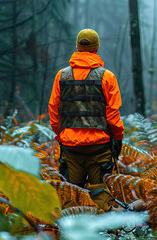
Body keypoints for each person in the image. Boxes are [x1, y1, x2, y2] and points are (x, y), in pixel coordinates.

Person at [48, 29, 124, 213]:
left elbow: (53, 110)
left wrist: (61, 136)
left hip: (70, 147)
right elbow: (113, 114)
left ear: (77, 48)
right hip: (99, 148)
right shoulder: (107, 77)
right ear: (96, 49)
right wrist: (118, 138)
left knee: (72, 199)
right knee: (101, 197)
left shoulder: (61, 76)